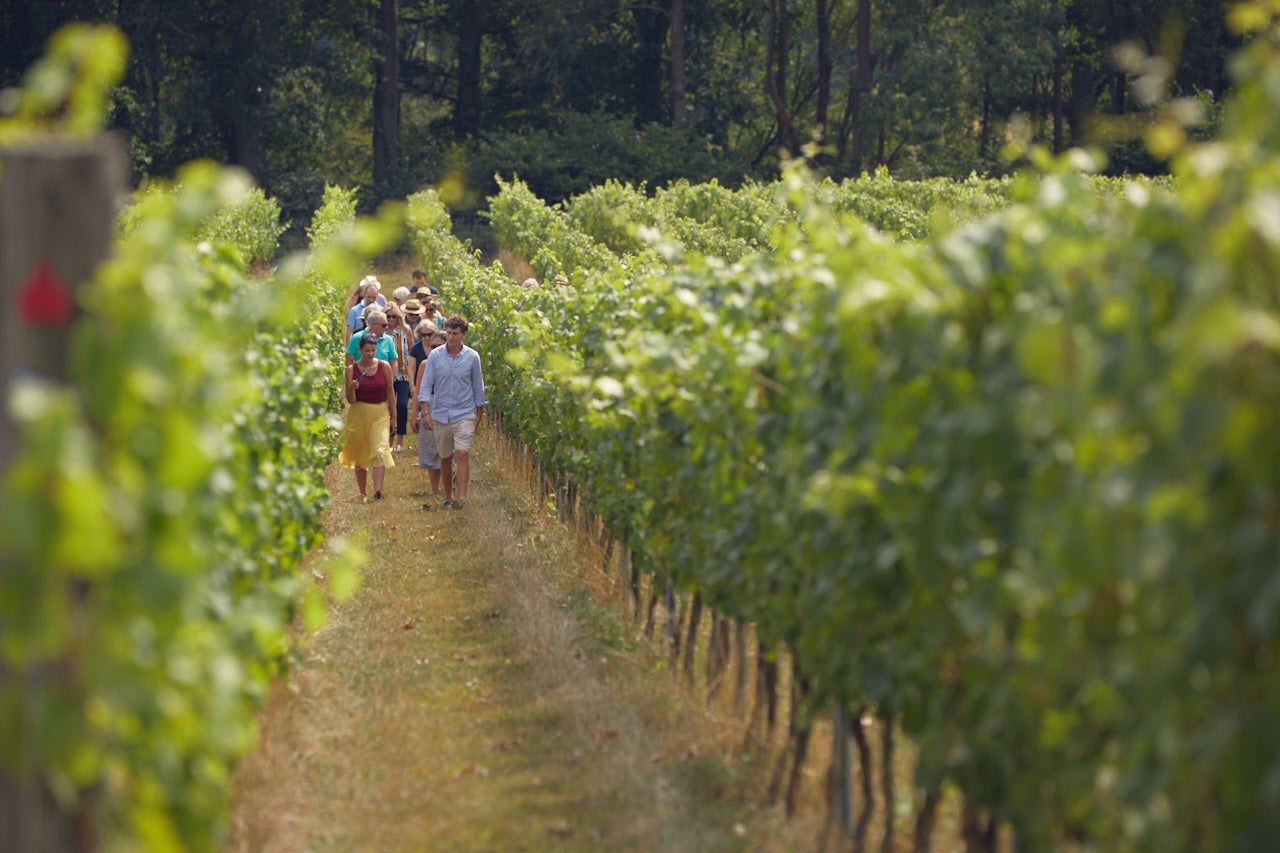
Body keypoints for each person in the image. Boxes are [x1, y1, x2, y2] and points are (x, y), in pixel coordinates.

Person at [415, 315, 485, 509]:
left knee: (462, 453)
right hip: (442, 414)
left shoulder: (472, 357)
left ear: (463, 335)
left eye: (455, 334)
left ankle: (461, 497)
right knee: (445, 457)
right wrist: (426, 412)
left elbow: (478, 386)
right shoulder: (435, 357)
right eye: (449, 333)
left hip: (464, 412)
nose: (452, 337)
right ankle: (448, 496)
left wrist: (479, 412)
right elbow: (426, 385)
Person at [340, 333, 396, 502]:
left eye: (373, 350)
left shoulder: (384, 366)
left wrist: (394, 417)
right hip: (358, 414)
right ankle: (363, 492)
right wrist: (351, 388)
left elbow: (390, 391)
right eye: (367, 351)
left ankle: (378, 490)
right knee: (360, 454)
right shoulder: (351, 370)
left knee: (380, 449)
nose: (370, 354)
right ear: (359, 350)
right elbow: (351, 400)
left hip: (379, 413)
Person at [414, 329, 448, 494]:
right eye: (432, 346)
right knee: (431, 448)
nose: (434, 349)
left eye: (438, 346)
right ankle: (435, 489)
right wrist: (414, 415)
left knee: (449, 448)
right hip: (430, 405)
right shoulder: (425, 365)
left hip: (448, 405)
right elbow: (419, 391)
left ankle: (449, 484)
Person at [384, 305, 414, 452]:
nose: (390, 319)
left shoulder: (405, 331)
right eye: (388, 316)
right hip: (385, 375)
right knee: (388, 407)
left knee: (401, 405)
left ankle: (400, 441)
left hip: (402, 374)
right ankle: (389, 440)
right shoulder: (380, 333)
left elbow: (411, 352)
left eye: (393, 316)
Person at [345, 309, 399, 378]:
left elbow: (394, 362)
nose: (387, 328)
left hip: (382, 383)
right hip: (361, 381)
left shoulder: (388, 339)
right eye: (384, 325)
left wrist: (389, 380)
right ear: (374, 325)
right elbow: (349, 360)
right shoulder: (356, 338)